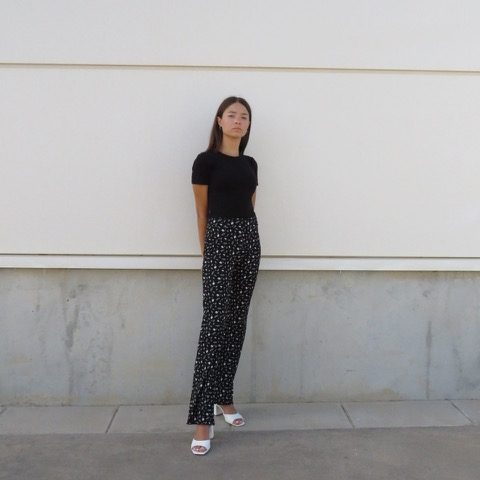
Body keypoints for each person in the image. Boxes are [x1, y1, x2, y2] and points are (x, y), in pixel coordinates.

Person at [187, 96, 261, 455]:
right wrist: (208, 251)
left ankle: (224, 396)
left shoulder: (250, 163)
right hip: (218, 239)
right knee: (214, 325)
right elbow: (201, 211)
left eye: (244, 116)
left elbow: (250, 204)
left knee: (236, 322)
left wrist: (248, 237)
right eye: (231, 115)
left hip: (249, 239)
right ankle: (203, 418)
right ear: (219, 121)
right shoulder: (205, 162)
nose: (238, 121)